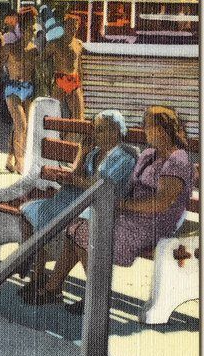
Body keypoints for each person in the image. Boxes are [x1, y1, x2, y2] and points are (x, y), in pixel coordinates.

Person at [27, 107, 195, 313]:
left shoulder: (177, 161)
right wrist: (116, 205)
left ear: (161, 130)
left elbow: (162, 203)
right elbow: (128, 188)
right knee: (75, 228)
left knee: (82, 232)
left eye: (148, 127)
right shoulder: (150, 155)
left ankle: (97, 298)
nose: (145, 131)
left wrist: (120, 205)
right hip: (130, 217)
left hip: (154, 224)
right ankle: (55, 288)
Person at [16, 110, 137, 301]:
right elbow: (78, 176)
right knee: (30, 213)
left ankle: (75, 292)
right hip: (75, 199)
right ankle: (38, 276)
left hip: (96, 206)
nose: (98, 135)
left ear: (116, 132)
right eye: (96, 130)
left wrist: (75, 179)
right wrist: (82, 154)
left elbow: (101, 187)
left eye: (103, 130)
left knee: (74, 229)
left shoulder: (123, 157)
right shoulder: (95, 152)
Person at [0, 10, 38, 174]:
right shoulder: (9, 48)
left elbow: (37, 73)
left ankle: (10, 159)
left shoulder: (34, 50)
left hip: (28, 89)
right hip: (12, 89)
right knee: (21, 125)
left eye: (34, 31)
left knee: (22, 127)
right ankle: (20, 163)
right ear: (23, 30)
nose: (33, 33)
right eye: (30, 30)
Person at [43, 14, 85, 121]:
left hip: (74, 81)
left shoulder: (78, 44)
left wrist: (81, 84)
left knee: (79, 118)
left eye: (75, 27)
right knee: (51, 115)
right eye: (70, 26)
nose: (73, 29)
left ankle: (68, 137)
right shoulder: (55, 43)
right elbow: (40, 61)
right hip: (60, 80)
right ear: (65, 26)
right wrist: (46, 81)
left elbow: (78, 66)